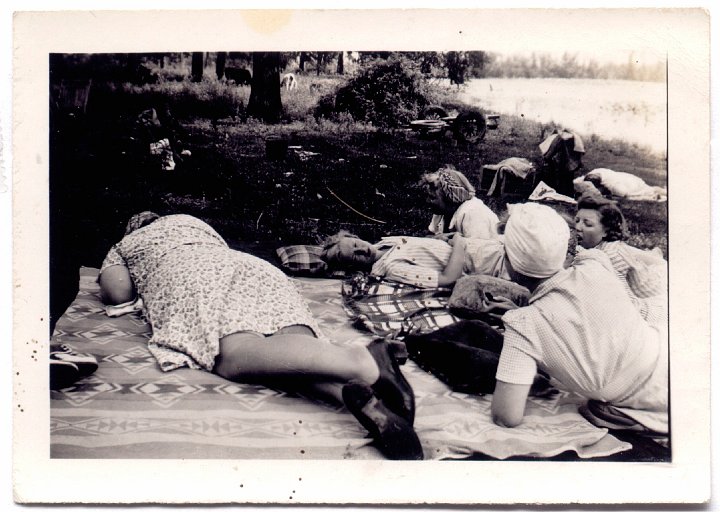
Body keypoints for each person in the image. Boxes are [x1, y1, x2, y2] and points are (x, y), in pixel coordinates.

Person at [99, 212, 423, 460]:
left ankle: (361, 362)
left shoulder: (127, 244)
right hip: (253, 269)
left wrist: (121, 267)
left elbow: (118, 292)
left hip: (196, 275)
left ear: (134, 228)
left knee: (235, 356)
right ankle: (362, 401)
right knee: (286, 352)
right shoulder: (193, 223)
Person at [490, 203, 668, 437]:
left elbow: (506, 417)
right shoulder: (595, 262)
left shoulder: (522, 324)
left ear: (509, 262)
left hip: (648, 401)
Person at [574, 194, 667, 325]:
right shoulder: (600, 247)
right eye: (577, 220)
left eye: (587, 224)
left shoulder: (609, 257)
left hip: (658, 300)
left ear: (606, 231)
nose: (578, 227)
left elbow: (625, 306)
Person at [320, 230, 509, 288]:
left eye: (355, 244)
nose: (362, 250)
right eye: (355, 256)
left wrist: (440, 239)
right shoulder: (391, 268)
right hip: (492, 265)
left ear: (354, 236)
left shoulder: (384, 244)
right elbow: (448, 279)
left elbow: (422, 249)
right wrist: (458, 242)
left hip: (487, 247)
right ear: (354, 268)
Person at [420, 165, 500, 240]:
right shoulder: (442, 211)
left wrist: (446, 241)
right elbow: (429, 236)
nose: (427, 201)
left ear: (450, 198)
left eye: (432, 197)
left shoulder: (472, 213)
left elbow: (476, 250)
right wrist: (436, 238)